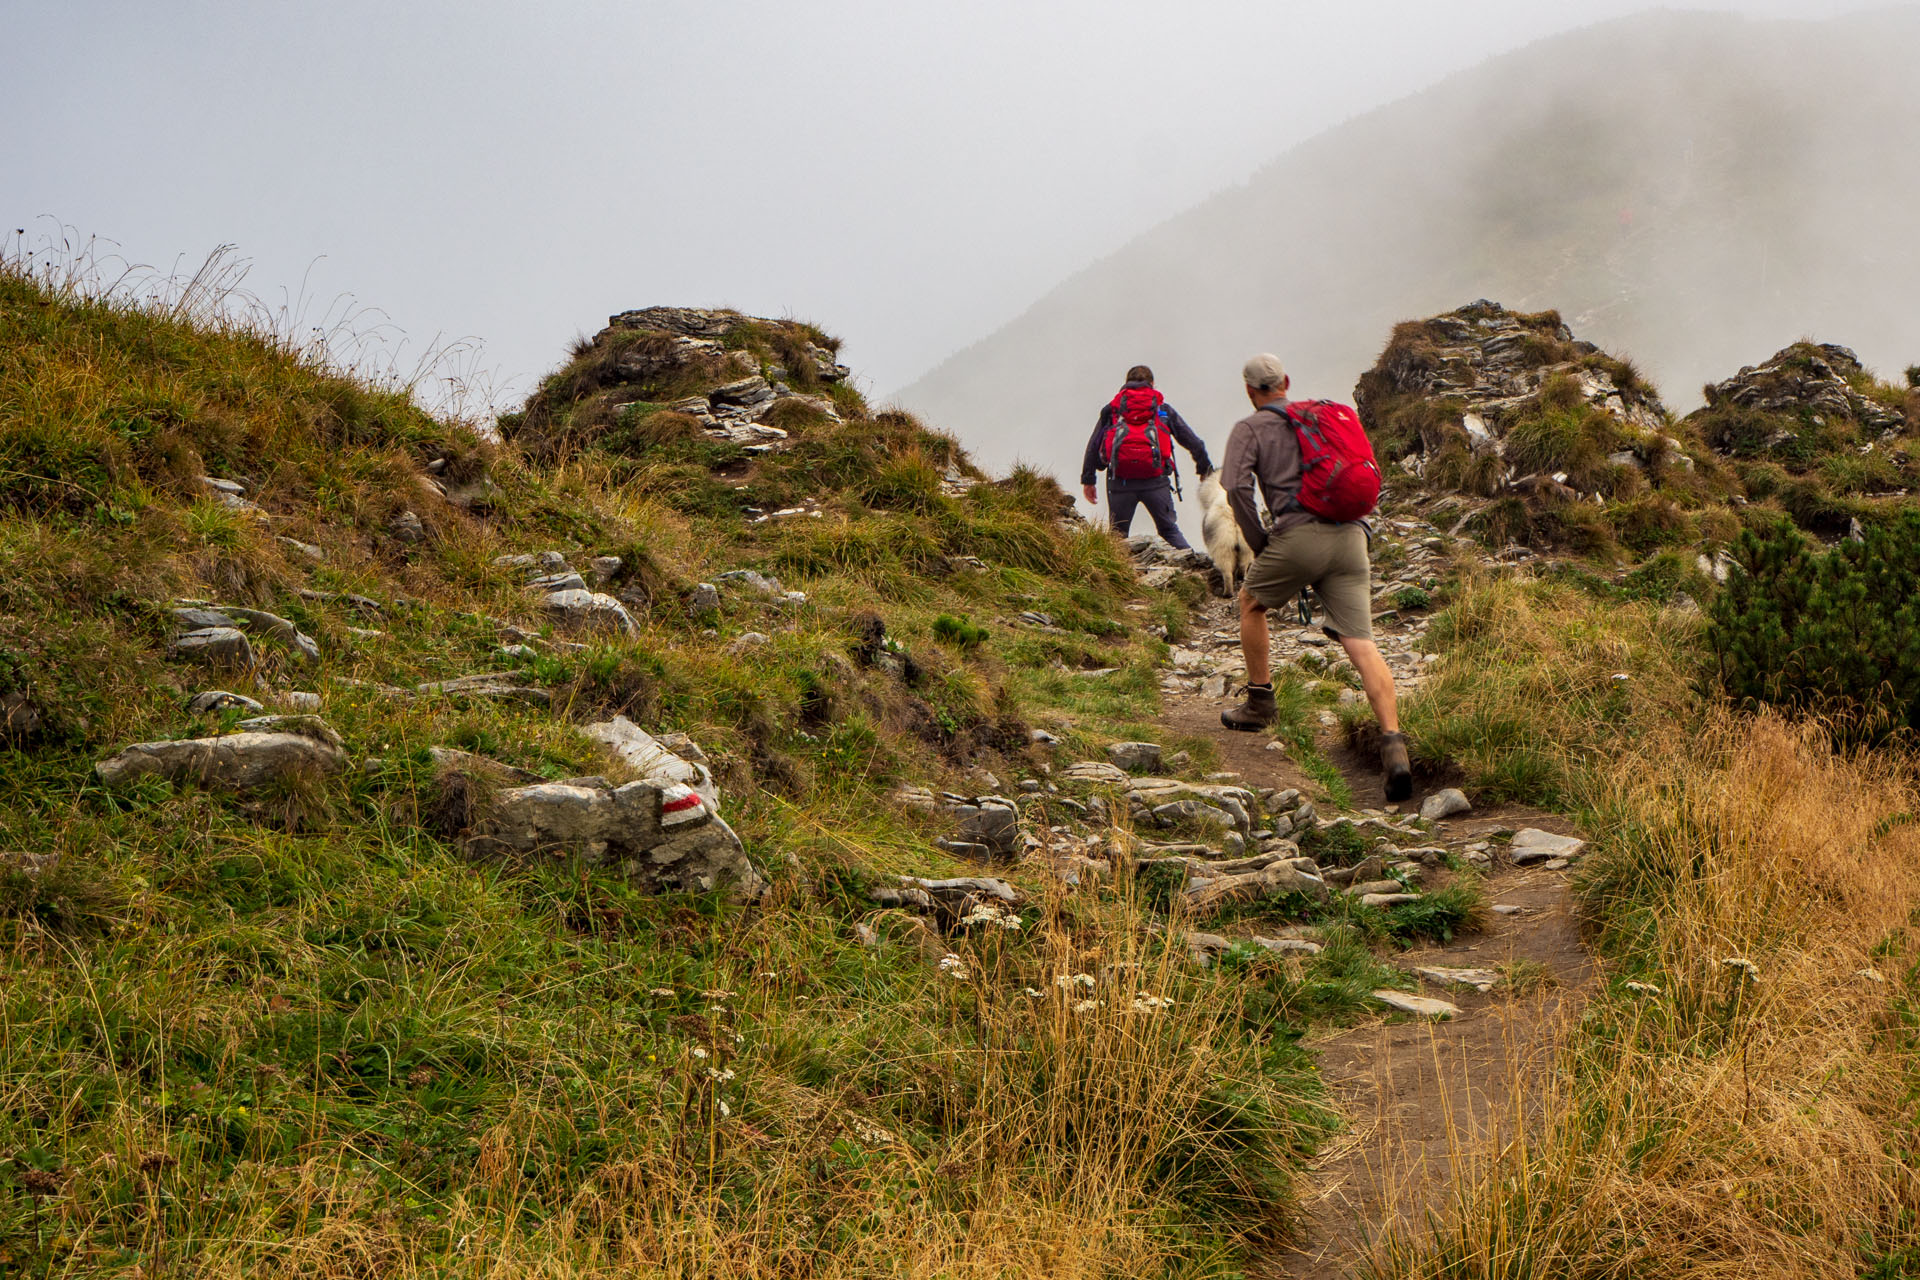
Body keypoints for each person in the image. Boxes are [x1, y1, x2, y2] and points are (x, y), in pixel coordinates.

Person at [1216, 353, 1412, 801]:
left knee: (1251, 601)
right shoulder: (1322, 417)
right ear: (1285, 381)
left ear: (1250, 391)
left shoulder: (1250, 428)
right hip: (1352, 537)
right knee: (1361, 642)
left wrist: (1260, 542)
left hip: (1298, 535)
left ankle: (1260, 703)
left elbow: (1236, 489)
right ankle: (1394, 747)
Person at [1079, 365, 1213, 549]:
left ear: (1126, 384)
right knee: (1169, 530)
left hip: (1120, 483)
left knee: (1117, 536)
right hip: (1155, 482)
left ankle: (1112, 575)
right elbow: (1194, 442)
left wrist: (1088, 480)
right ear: (1152, 384)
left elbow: (1094, 446)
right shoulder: (1162, 409)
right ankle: (1196, 569)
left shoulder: (1112, 410)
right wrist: (1205, 470)